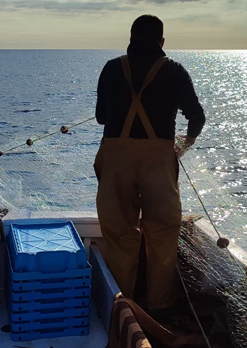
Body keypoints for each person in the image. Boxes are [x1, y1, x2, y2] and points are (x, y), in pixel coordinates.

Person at [94, 14, 206, 312]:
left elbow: (102, 117)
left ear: (130, 39)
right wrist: (185, 143)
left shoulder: (111, 68)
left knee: (119, 233)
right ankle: (159, 305)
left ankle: (122, 307)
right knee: (162, 235)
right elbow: (197, 117)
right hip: (158, 165)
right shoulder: (175, 71)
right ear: (162, 42)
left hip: (117, 164)